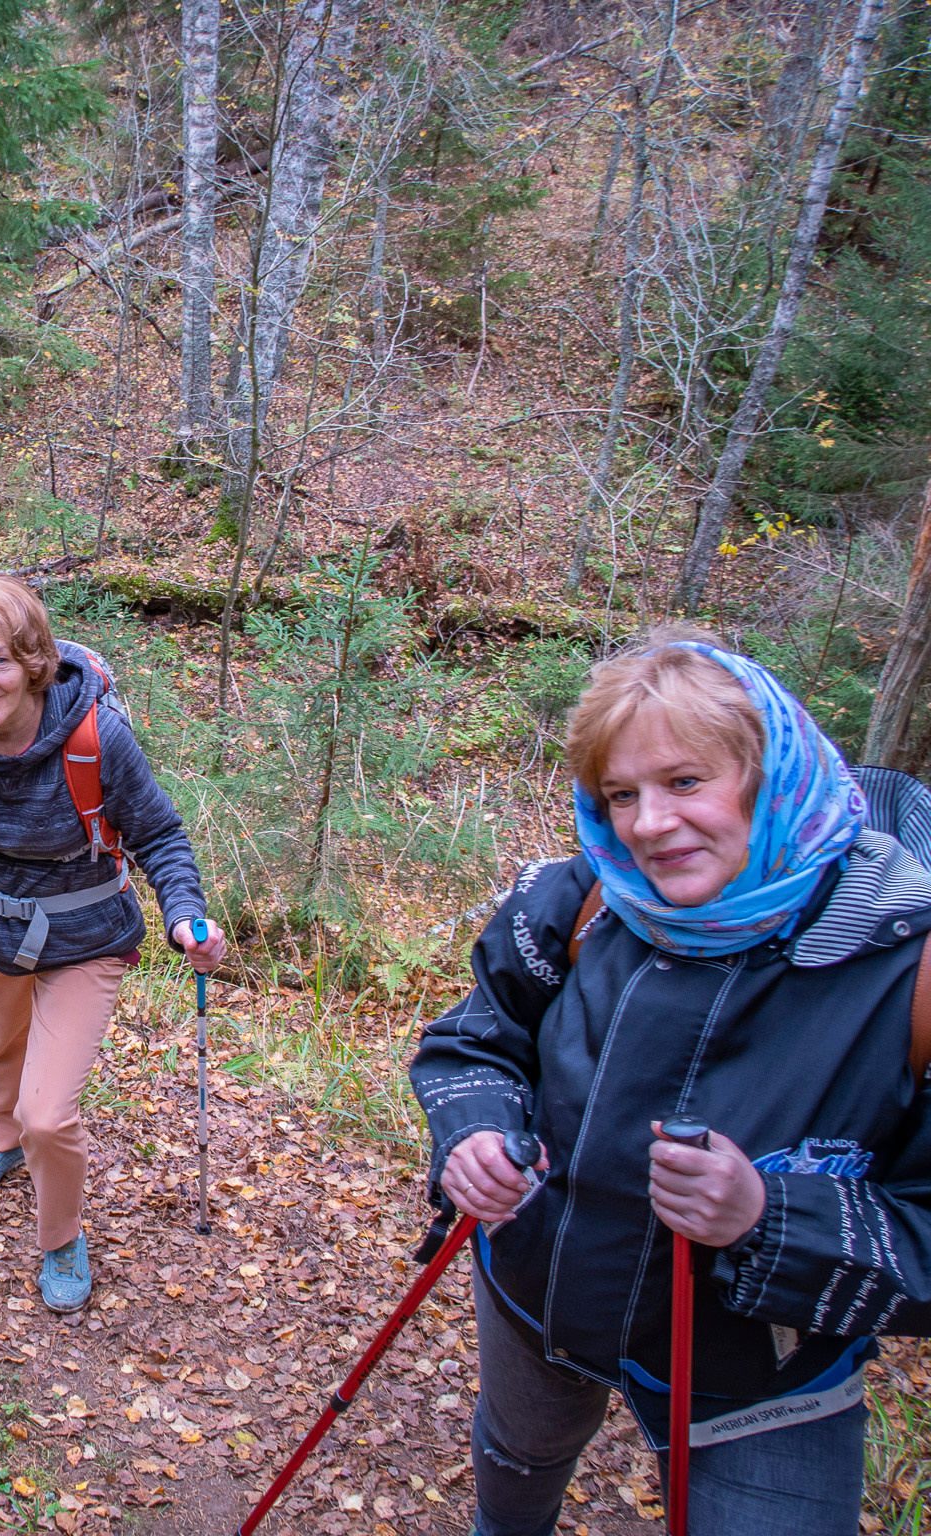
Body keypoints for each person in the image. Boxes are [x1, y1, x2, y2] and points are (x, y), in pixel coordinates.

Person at [410, 627, 931, 1536]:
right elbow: (475, 1041)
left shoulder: (906, 967)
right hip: (539, 1291)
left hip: (767, 1376)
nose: (649, 824)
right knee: (517, 1468)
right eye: (621, 794)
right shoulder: (582, 900)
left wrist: (769, 1218)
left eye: (687, 782)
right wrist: (475, 1132)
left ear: (776, 775)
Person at [0, 574, 222, 1312]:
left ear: (32, 657)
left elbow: (158, 833)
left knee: (50, 1113)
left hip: (85, 929)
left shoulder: (97, 736)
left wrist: (184, 915)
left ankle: (60, 1234)